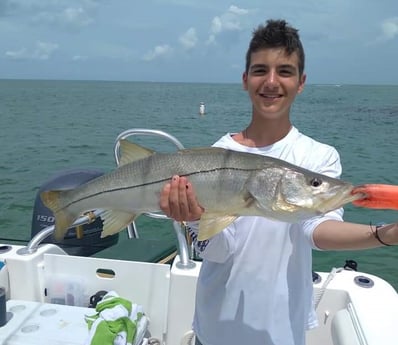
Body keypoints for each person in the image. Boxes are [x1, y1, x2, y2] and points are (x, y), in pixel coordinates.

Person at [159, 19, 398, 345]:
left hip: (283, 331)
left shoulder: (318, 156)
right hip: (214, 329)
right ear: (245, 80)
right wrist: (193, 217)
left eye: (285, 71)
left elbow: (315, 229)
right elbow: (218, 248)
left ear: (301, 82)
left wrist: (384, 235)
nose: (271, 82)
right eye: (260, 70)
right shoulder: (216, 155)